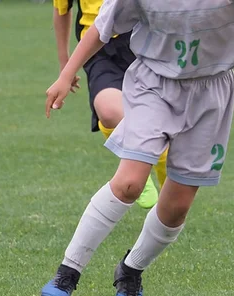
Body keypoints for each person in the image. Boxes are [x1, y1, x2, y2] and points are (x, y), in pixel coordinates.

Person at [41, 0, 234, 296]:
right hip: (153, 83)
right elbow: (102, 27)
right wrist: (66, 73)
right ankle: (68, 272)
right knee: (130, 183)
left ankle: (130, 270)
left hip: (211, 92)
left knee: (177, 207)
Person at [52, 0, 168, 209]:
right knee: (108, 111)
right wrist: (65, 67)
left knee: (155, 120)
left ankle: (158, 163)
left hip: (145, 39)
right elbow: (61, 10)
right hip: (98, 47)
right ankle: (138, 159)